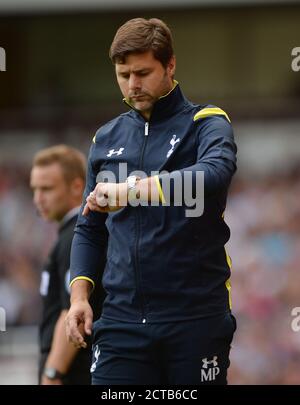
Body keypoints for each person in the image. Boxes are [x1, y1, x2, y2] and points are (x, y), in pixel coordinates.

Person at [65, 17, 237, 385]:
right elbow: (89, 229)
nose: (132, 84)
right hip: (121, 324)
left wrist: (131, 190)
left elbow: (213, 175)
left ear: (170, 65)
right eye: (123, 74)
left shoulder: (206, 123)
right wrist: (79, 297)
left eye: (142, 72)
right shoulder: (105, 138)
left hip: (195, 320)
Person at [30, 145, 105, 385]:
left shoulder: (76, 238)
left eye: (47, 189)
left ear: (76, 186)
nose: (38, 198)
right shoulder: (70, 235)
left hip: (75, 373)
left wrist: (52, 373)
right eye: (35, 189)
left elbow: (70, 309)